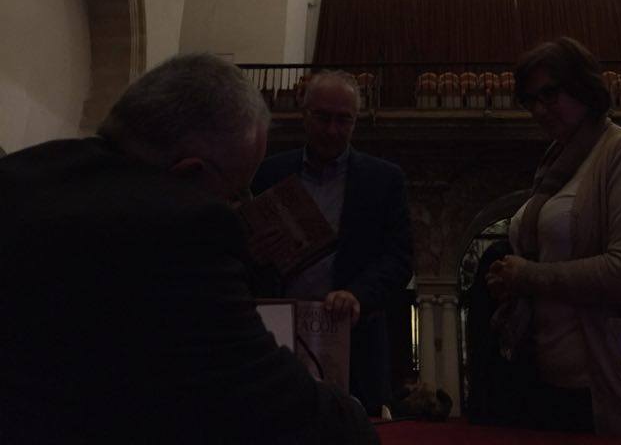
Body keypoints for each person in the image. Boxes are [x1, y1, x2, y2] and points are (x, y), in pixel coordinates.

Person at [0, 54, 378, 445]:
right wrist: (354, 418)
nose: (237, 207)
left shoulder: (21, 176)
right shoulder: (184, 232)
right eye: (235, 194)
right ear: (189, 175)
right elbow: (270, 398)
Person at [487, 37, 621, 437]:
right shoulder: (556, 165)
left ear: (583, 87)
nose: (539, 109)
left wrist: (527, 276)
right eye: (530, 100)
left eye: (550, 94)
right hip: (549, 383)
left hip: (613, 383)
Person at [253, 70, 413, 417]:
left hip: (355, 343)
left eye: (343, 120)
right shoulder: (268, 173)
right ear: (303, 113)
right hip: (278, 337)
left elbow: (399, 258)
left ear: (356, 121)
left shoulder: (383, 180)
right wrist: (257, 248)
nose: (331, 130)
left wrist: (358, 294)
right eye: (323, 117)